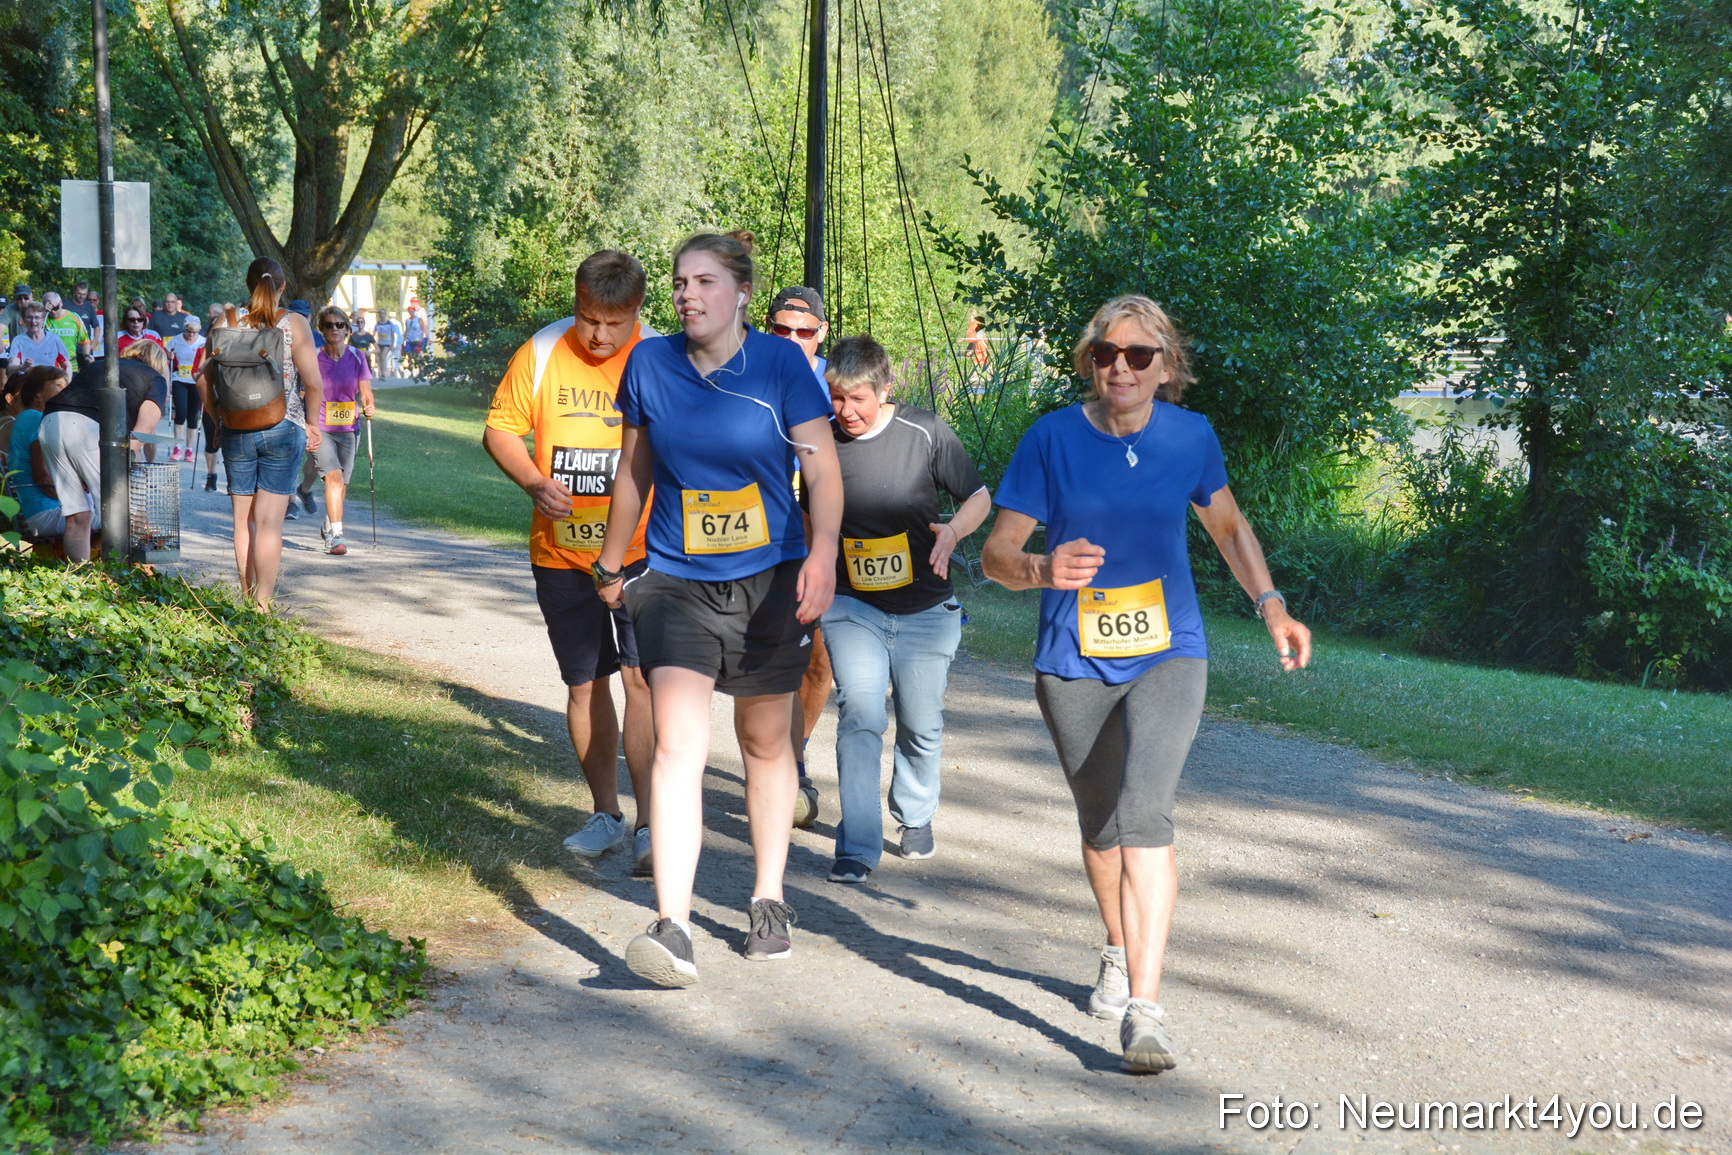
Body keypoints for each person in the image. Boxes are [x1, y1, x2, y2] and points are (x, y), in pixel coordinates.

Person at [981, 295, 1312, 1075]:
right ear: (1087, 361)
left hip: (1171, 649)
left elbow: (1227, 526)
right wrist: (1040, 569)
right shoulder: (1051, 438)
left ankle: (1147, 1009)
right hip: (1072, 654)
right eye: (1105, 353)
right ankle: (1116, 945)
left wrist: (1272, 606)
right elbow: (997, 555)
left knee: (1145, 811)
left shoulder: (1191, 437)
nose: (1120, 367)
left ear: (1167, 365)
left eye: (1138, 355)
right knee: (1100, 822)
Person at [593, 230, 842, 987]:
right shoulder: (650, 363)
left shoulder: (781, 365)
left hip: (771, 576)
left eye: (704, 281)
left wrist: (824, 552)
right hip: (674, 576)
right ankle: (673, 922)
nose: (687, 294)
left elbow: (822, 471)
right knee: (678, 745)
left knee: (766, 742)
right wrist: (612, 562)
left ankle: (768, 898)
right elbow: (632, 472)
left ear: (739, 293)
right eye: (679, 282)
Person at [484, 251, 660, 873]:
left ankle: (652, 825)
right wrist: (534, 481)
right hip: (561, 554)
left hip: (643, 554)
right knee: (585, 684)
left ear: (637, 313)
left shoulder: (660, 356)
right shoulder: (542, 349)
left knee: (643, 682)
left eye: (613, 324)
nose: (598, 336)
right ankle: (606, 812)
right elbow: (501, 429)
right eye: (588, 318)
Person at [819, 336, 991, 883]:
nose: (846, 411)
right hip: (853, 606)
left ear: (886, 389)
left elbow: (979, 496)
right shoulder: (821, 440)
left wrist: (953, 533)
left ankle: (914, 816)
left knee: (921, 723)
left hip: (926, 607)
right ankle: (857, 844)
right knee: (861, 715)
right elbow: (809, 518)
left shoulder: (925, 432)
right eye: (837, 398)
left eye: (858, 399)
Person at [195, 257, 325, 609]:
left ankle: (245, 597)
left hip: (237, 429)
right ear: (282, 286)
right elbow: (313, 383)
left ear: (248, 285)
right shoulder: (293, 323)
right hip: (283, 426)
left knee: (243, 521)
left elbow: (202, 379)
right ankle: (263, 607)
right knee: (269, 523)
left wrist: (219, 419)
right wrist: (312, 423)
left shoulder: (226, 321)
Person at [764, 286, 837, 827]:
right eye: (781, 329)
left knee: (819, 662)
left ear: (821, 335)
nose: (791, 341)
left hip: (818, 539)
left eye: (804, 332)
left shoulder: (836, 384)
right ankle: (769, 759)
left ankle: (795, 759)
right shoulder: (741, 370)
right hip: (753, 537)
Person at [40, 343, 167, 561]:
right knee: (121, 510)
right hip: (89, 430)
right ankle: (122, 579)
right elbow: (143, 431)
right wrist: (122, 468)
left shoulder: (99, 366)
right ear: (158, 362)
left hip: (51, 423)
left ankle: (80, 581)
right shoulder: (154, 378)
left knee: (77, 514)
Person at [296, 306, 377, 556]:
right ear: (321, 329)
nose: (335, 329)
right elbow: (302, 391)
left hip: (349, 428)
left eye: (339, 325)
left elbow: (365, 391)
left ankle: (330, 524)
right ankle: (337, 537)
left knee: (342, 485)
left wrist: (369, 405)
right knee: (334, 479)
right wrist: (308, 425)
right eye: (329, 325)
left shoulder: (357, 357)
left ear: (347, 329)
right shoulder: (313, 357)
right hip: (321, 428)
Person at [7, 365, 69, 538]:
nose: (65, 390)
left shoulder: (28, 417)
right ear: (38, 394)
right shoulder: (35, 418)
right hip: (44, 513)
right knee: (116, 520)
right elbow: (42, 476)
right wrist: (73, 500)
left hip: (38, 512)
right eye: (58, 386)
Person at [166, 316, 206, 463]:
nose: (191, 334)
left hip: (195, 381)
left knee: (193, 416)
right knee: (181, 413)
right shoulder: (176, 340)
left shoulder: (203, 341)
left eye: (195, 332)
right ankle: (178, 446)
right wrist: (168, 355)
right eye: (189, 331)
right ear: (184, 329)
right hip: (180, 379)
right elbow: (166, 353)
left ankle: (190, 449)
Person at [7, 301, 69, 371]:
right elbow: (11, 367)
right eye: (29, 317)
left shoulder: (54, 339)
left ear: (43, 319)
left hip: (50, 379)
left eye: (37, 317)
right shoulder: (18, 340)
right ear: (24, 319)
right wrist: (24, 366)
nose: (33, 321)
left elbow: (67, 366)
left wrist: (66, 381)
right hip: (27, 379)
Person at [43, 293, 91, 366]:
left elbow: (85, 340)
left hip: (71, 363)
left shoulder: (74, 317)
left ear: (61, 303)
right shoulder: (42, 319)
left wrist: (87, 356)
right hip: (50, 364)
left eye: (55, 308)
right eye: (50, 309)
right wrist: (43, 312)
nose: (53, 312)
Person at [68, 282, 102, 363]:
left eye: (84, 294)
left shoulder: (89, 307)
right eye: (79, 294)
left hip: (84, 348)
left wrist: (93, 343)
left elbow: (96, 327)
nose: (81, 296)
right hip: (68, 347)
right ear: (74, 292)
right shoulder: (65, 304)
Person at [374, 310, 402, 377]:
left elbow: (393, 334)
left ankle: (383, 373)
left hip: (387, 343)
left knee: (383, 356)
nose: (382, 315)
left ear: (385, 314)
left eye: (383, 313)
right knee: (380, 358)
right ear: (379, 314)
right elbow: (374, 333)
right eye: (380, 313)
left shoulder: (389, 323)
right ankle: (381, 370)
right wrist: (373, 342)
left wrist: (392, 344)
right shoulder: (377, 324)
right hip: (380, 343)